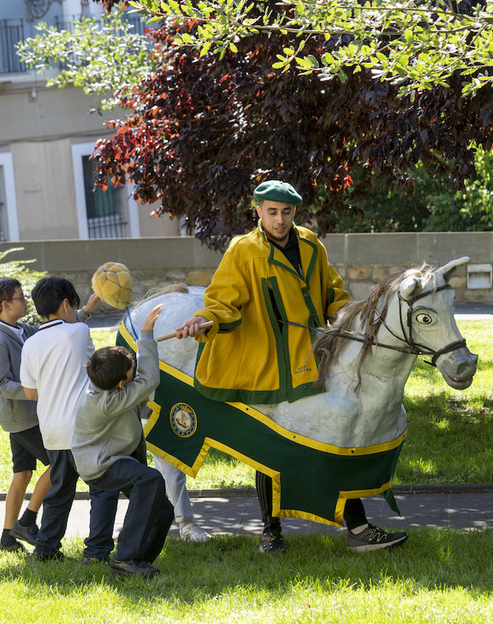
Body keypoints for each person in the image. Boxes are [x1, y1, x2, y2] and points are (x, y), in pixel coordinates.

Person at [174, 179, 408, 554]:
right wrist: (206, 321)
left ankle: (358, 527)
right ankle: (271, 533)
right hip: (267, 366)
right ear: (258, 211)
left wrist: (346, 320)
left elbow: (334, 294)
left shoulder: (312, 244)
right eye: (271, 212)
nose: (279, 220)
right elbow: (222, 300)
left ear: (295, 212)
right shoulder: (243, 250)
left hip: (316, 358)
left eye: (285, 213)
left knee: (332, 438)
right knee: (269, 448)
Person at [72, 304, 174, 578]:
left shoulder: (103, 380)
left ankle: (138, 559)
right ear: (120, 385)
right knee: (150, 480)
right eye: (130, 371)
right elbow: (149, 379)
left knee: (162, 508)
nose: (134, 371)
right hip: (101, 464)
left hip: (115, 455)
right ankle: (125, 559)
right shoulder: (107, 402)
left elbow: (134, 378)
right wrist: (146, 332)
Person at [19, 276, 115, 563]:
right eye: (73, 305)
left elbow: (30, 392)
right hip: (83, 428)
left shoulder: (30, 343)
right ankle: (96, 552)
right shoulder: (79, 331)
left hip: (51, 429)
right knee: (102, 489)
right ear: (65, 304)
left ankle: (46, 549)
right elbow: (96, 373)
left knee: (60, 491)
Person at [0, 277, 54, 553]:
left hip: (29, 414)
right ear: (5, 305)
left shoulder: (23, 329)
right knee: (60, 464)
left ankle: (7, 538)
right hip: (21, 419)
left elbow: (53, 329)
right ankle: (27, 521)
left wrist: (86, 311)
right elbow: (1, 384)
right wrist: (32, 391)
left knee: (22, 473)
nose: (26, 301)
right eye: (21, 297)